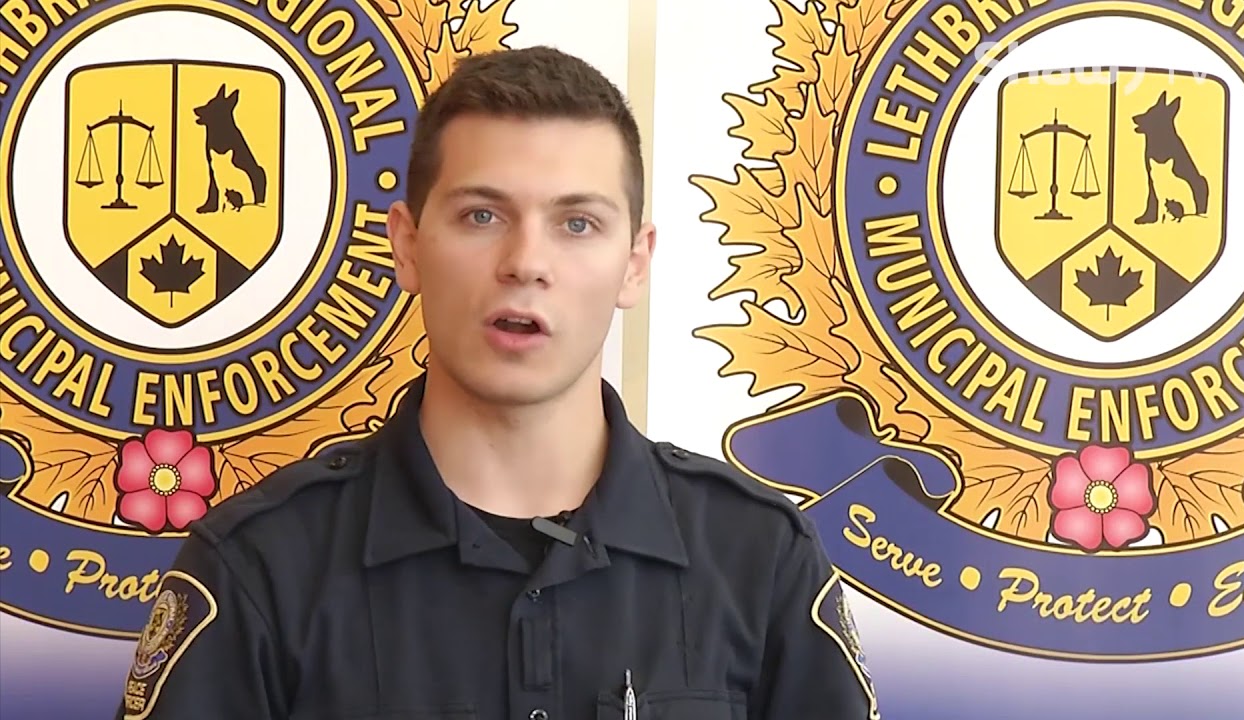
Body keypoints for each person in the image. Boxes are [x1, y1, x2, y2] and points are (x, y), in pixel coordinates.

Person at [114, 46, 879, 720]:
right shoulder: (260, 566)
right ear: (408, 247)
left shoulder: (757, 558)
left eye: (577, 223)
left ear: (634, 264)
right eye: (482, 216)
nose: (526, 262)